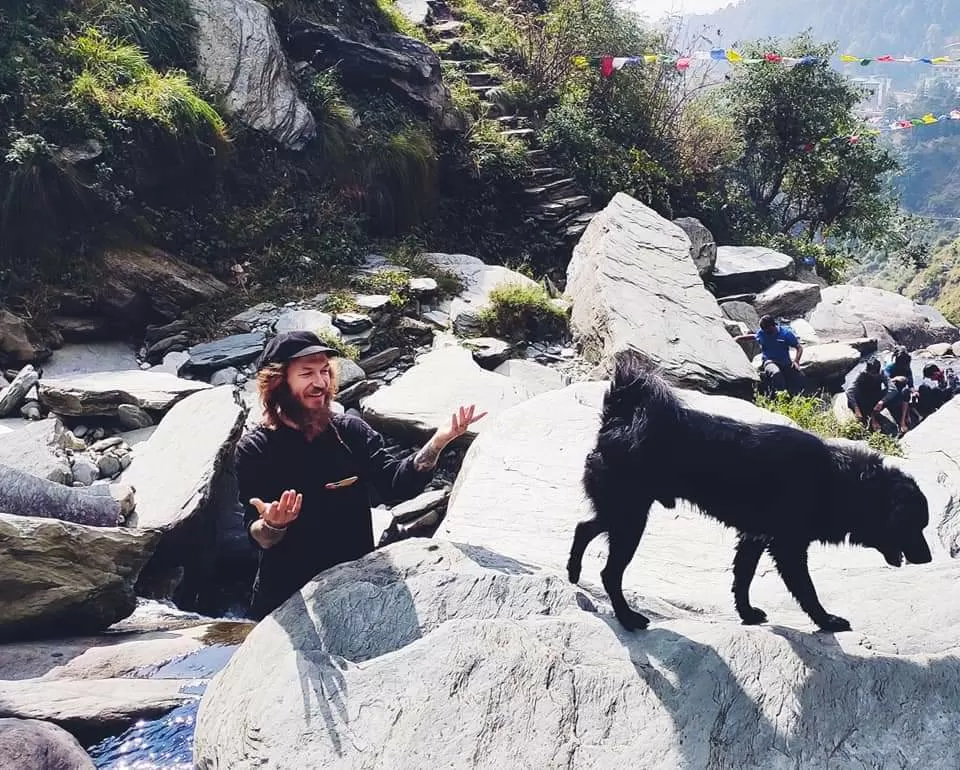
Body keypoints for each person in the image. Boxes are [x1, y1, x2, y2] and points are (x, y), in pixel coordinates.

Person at [235, 330, 486, 619]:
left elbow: (395, 486)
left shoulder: (351, 433)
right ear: (278, 382)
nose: (320, 383)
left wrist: (438, 442)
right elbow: (259, 536)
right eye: (307, 374)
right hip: (286, 603)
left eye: (324, 372)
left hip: (355, 591)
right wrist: (274, 525)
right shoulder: (255, 448)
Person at [737, 315, 805, 395]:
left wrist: (796, 361)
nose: (765, 332)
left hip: (785, 362)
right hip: (769, 361)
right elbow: (755, 336)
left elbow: (799, 348)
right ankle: (781, 396)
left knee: (800, 377)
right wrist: (739, 338)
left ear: (773, 326)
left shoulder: (786, 334)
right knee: (776, 373)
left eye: (767, 330)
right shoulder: (762, 333)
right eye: (763, 330)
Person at [845, 357, 907, 434]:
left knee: (899, 384)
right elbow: (849, 391)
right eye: (871, 373)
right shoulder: (861, 375)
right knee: (853, 398)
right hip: (863, 399)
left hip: (875, 397)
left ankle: (874, 415)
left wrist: (882, 401)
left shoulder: (881, 373)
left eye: (875, 373)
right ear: (867, 370)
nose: (873, 375)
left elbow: (893, 388)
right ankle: (872, 418)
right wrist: (856, 408)